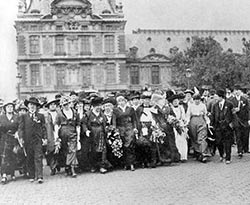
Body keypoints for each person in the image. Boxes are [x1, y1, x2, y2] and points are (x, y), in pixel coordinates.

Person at [18, 97, 47, 184]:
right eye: (31, 105)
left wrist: (44, 138)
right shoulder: (24, 116)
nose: (32, 107)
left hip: (37, 140)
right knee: (29, 157)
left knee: (38, 157)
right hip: (28, 140)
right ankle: (32, 175)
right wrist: (21, 138)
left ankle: (39, 176)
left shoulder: (40, 116)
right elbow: (21, 128)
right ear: (28, 106)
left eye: (34, 105)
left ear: (36, 106)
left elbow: (43, 128)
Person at [82, 97, 111, 174]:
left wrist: (107, 128)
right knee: (93, 150)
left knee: (103, 150)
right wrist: (86, 130)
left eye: (99, 106)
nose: (98, 107)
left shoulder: (102, 114)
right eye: (97, 106)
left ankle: (102, 166)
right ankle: (93, 165)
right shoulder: (88, 114)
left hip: (101, 133)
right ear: (93, 106)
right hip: (92, 134)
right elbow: (84, 123)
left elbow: (106, 122)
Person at [150, 91, 180, 164]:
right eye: (161, 100)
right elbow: (154, 118)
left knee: (171, 142)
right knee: (163, 144)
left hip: (169, 127)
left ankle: (173, 158)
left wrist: (172, 120)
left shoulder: (168, 108)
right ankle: (165, 159)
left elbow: (174, 116)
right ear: (157, 101)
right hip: (161, 128)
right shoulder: (154, 109)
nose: (163, 101)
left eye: (163, 100)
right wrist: (156, 126)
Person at [54, 96, 80, 177]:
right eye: (64, 104)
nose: (66, 106)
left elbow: (78, 125)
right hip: (63, 132)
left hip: (73, 132)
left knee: (72, 150)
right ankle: (67, 167)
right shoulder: (59, 113)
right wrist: (56, 136)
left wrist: (78, 137)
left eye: (67, 104)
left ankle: (72, 169)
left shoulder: (75, 112)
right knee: (65, 150)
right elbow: (56, 124)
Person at [113, 94, 138, 171]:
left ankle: (132, 163)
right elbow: (114, 121)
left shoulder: (130, 109)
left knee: (130, 145)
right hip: (121, 129)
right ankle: (125, 164)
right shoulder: (116, 110)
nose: (121, 102)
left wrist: (135, 128)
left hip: (129, 128)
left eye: (122, 101)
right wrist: (115, 129)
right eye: (119, 101)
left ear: (125, 101)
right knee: (123, 146)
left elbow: (134, 119)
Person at [210, 89, 234, 164]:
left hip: (227, 126)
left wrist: (231, 124)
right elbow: (213, 115)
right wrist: (212, 125)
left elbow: (233, 115)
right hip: (218, 126)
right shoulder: (215, 105)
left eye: (216, 96)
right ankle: (221, 154)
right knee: (218, 142)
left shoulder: (229, 104)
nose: (215, 97)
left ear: (221, 96)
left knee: (228, 142)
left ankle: (228, 158)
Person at [186, 94, 209, 163]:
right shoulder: (190, 106)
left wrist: (208, 122)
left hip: (201, 120)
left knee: (202, 137)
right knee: (194, 137)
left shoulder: (203, 105)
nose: (197, 101)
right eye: (195, 99)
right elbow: (188, 115)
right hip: (193, 121)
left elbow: (205, 114)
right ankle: (198, 153)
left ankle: (204, 153)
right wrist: (187, 123)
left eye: (198, 99)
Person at [0, 102, 19, 184]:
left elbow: (19, 127)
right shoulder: (1, 117)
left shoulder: (16, 117)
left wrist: (17, 133)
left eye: (11, 107)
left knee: (13, 156)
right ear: (5, 108)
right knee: (4, 156)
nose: (10, 108)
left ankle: (12, 173)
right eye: (8, 107)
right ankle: (4, 175)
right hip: (4, 139)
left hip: (14, 138)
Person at [231, 85, 250, 158]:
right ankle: (240, 151)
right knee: (238, 136)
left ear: (240, 91)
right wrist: (234, 110)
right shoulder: (231, 100)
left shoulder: (245, 99)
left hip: (244, 120)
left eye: (238, 90)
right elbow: (230, 110)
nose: (237, 92)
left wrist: (249, 119)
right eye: (236, 90)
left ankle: (245, 148)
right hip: (236, 120)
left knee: (245, 135)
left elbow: (248, 110)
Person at [168, 94, 188, 162]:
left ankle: (183, 156)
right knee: (176, 140)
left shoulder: (181, 108)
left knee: (183, 140)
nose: (176, 102)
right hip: (174, 125)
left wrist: (183, 122)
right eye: (174, 101)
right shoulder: (170, 109)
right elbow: (169, 117)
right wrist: (173, 121)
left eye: (177, 101)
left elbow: (184, 117)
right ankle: (177, 156)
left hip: (180, 124)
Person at [44, 99, 60, 175]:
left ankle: (58, 164)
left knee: (59, 149)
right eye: (51, 105)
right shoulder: (46, 115)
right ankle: (52, 167)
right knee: (51, 151)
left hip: (58, 132)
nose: (53, 106)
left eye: (54, 104)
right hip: (50, 133)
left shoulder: (59, 113)